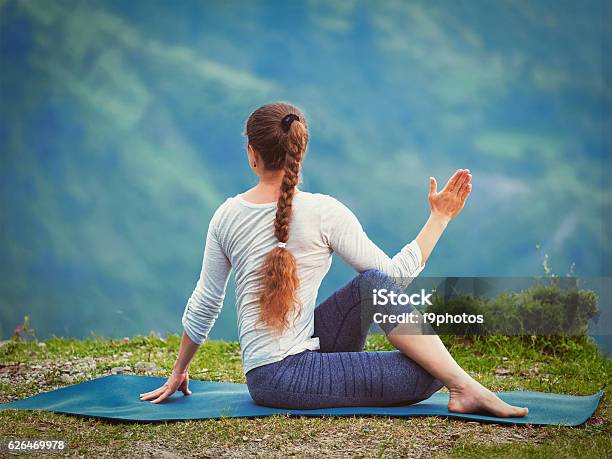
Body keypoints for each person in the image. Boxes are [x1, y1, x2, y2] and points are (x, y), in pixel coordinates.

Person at [140, 102, 528, 417]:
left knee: (373, 287)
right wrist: (439, 219)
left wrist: (179, 371)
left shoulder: (226, 214)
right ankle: (463, 387)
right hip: (284, 379)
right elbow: (396, 275)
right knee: (429, 372)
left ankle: (461, 385)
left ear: (252, 154)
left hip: (273, 368)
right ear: (300, 152)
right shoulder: (325, 211)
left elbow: (206, 302)